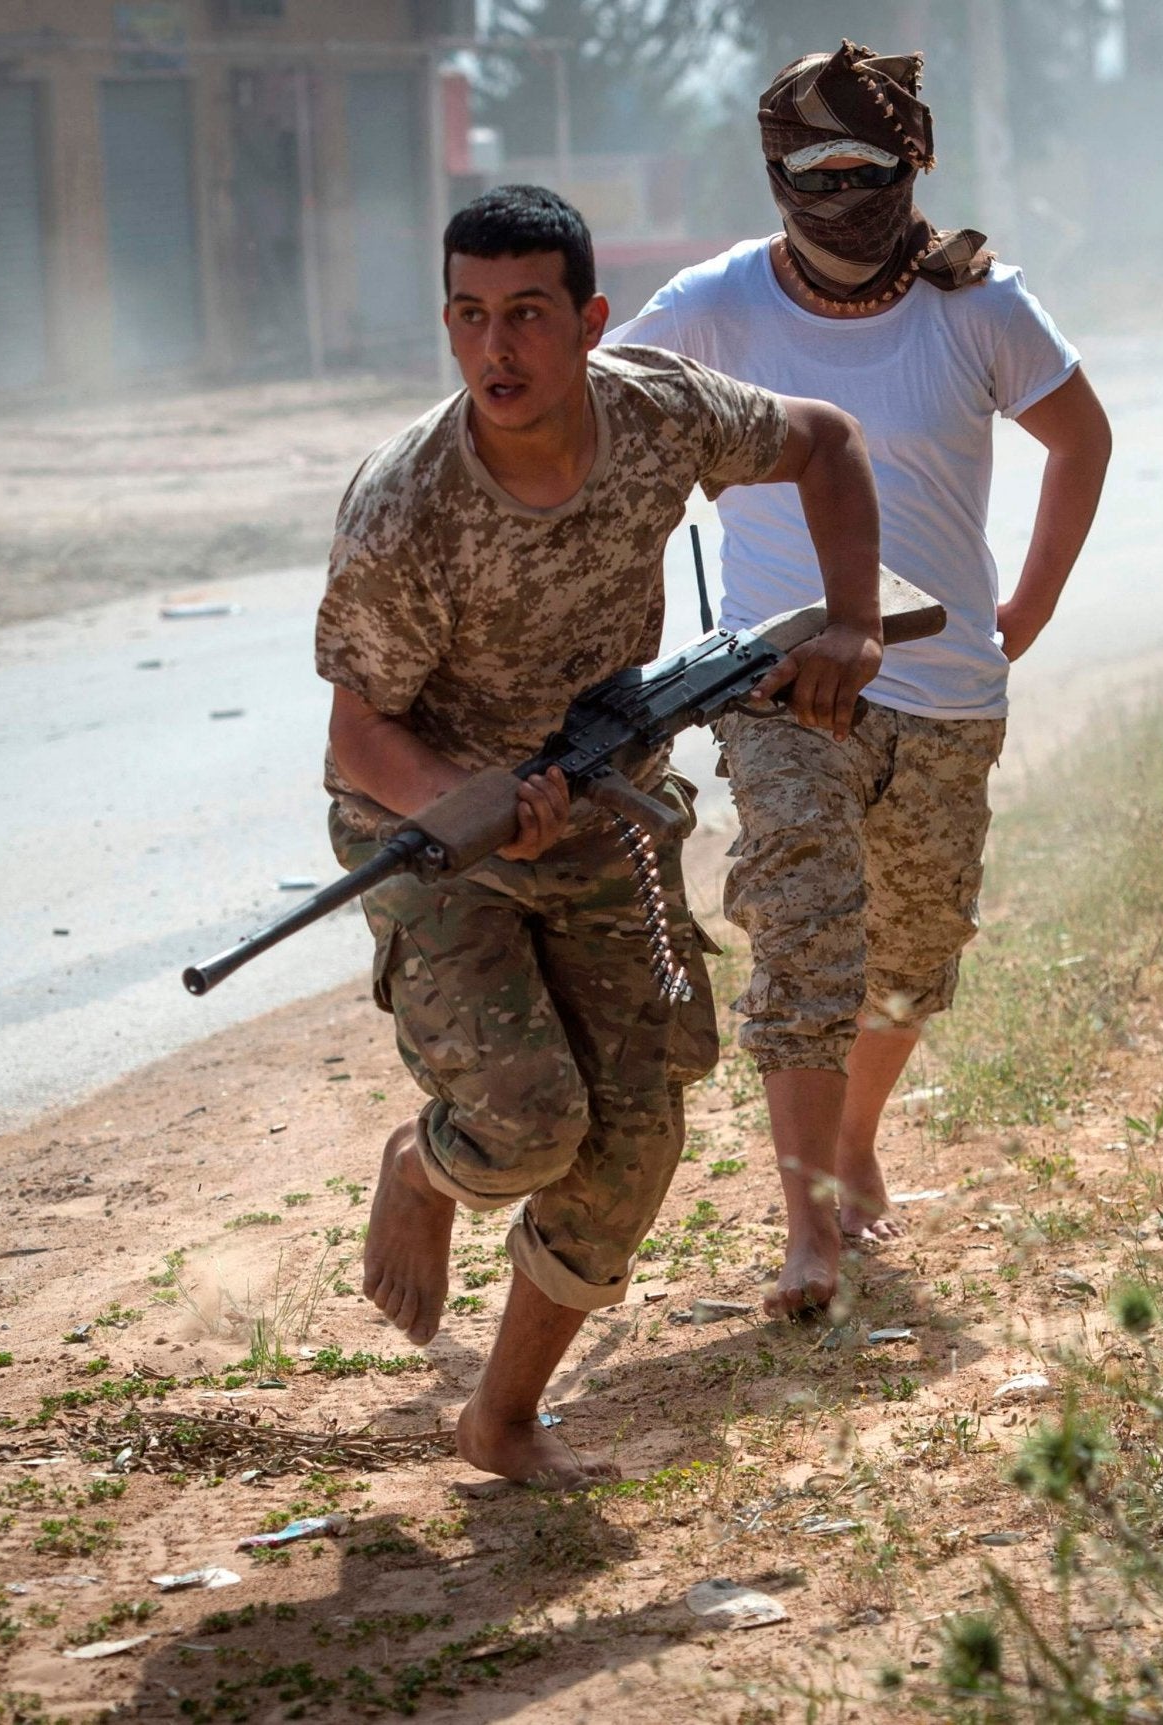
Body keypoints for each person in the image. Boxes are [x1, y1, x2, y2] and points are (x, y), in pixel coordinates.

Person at [322, 185, 885, 1487]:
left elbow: (830, 441)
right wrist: (480, 811)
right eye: (469, 318)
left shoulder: (658, 412)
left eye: (527, 316)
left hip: (600, 807)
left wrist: (852, 621)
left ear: (589, 321)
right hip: (433, 834)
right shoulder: (407, 502)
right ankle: (424, 1164)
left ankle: (502, 1417)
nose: (496, 351)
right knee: (524, 1123)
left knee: (637, 1139)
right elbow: (361, 740)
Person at [610, 40, 1112, 1318]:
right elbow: (602, 420)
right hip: (787, 690)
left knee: (914, 951)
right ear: (775, 174)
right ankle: (810, 1230)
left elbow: (1080, 439)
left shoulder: (980, 308)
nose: (841, 192)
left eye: (867, 165)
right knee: (804, 935)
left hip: (945, 683)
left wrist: (1027, 608)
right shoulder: (717, 305)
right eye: (812, 169)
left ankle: (850, 1138)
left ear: (913, 162)